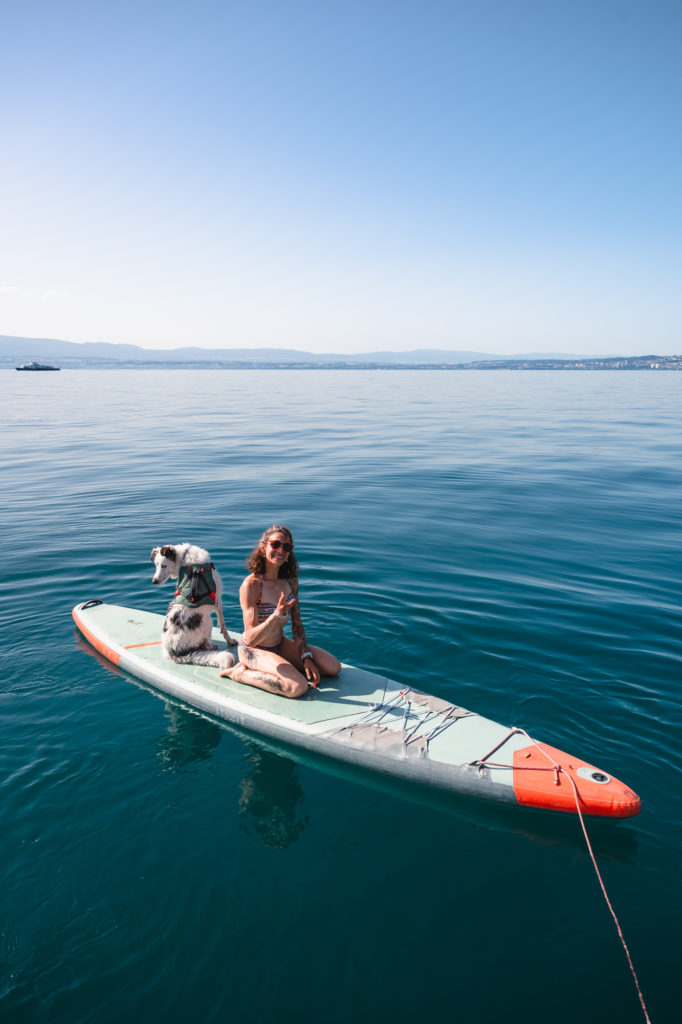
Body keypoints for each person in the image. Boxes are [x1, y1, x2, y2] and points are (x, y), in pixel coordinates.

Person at [220, 524, 341, 698]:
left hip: (279, 645)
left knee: (333, 667)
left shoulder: (290, 581)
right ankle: (239, 673)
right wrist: (274, 618)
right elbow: (251, 638)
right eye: (275, 544)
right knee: (297, 687)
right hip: (253, 650)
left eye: (286, 547)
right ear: (263, 548)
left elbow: (297, 624)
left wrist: (306, 657)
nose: (281, 550)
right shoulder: (252, 585)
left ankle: (282, 666)